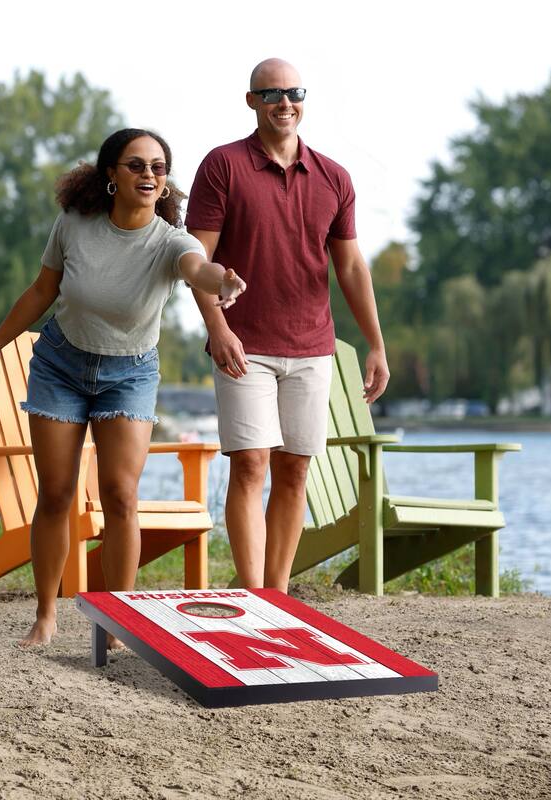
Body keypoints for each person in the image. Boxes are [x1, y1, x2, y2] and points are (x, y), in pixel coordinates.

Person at [0, 128, 246, 646]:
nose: (148, 175)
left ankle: (120, 621)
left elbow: (197, 269)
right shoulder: (75, 223)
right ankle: (46, 615)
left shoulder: (170, 241)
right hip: (60, 365)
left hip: (130, 373)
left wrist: (221, 283)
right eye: (136, 165)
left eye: (158, 167)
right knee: (56, 494)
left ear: (165, 183)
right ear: (111, 175)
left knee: (121, 496)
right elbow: (41, 290)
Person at [186, 58, 389, 592]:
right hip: (243, 346)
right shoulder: (222, 166)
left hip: (312, 347)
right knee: (251, 465)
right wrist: (218, 328)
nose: (284, 102)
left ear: (303, 99)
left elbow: (350, 266)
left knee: (295, 469)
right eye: (271, 93)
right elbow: (194, 261)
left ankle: (275, 592)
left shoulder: (334, 177)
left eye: (293, 92)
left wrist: (375, 344)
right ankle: (252, 593)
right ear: (251, 101)